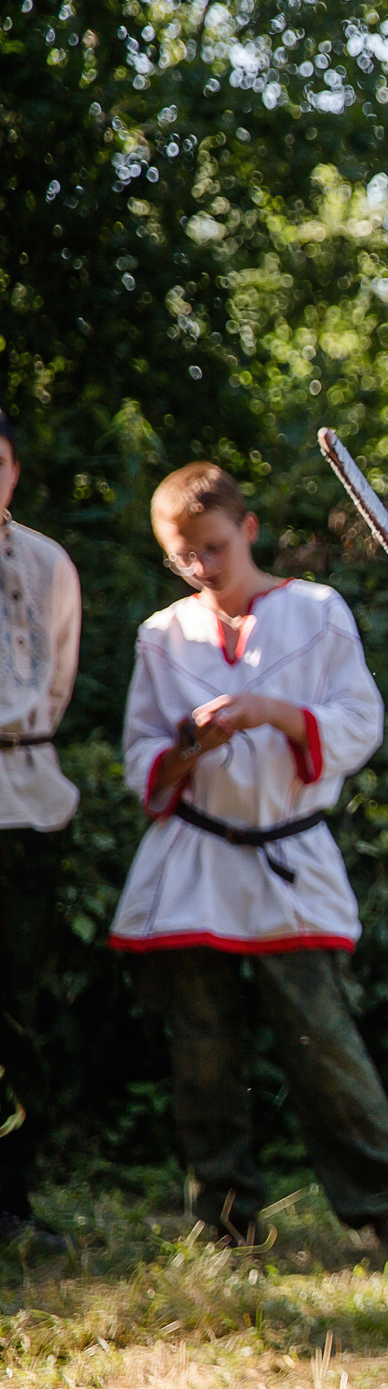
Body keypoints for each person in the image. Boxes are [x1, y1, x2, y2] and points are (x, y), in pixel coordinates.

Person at [110, 462, 388, 1261]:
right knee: (203, 1053)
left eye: (214, 546)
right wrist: (190, 746)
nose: (201, 565)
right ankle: (224, 1218)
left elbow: (360, 721)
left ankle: (386, 1208)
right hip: (194, 862)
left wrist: (271, 712)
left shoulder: (316, 611)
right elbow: (140, 754)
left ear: (247, 528)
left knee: (325, 1043)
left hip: (288, 853)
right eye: (183, 554)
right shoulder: (164, 633)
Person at [0, 410, 79, 1253]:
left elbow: (57, 678)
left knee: (19, 1005)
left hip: (27, 793)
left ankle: (9, 1196)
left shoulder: (49, 562)